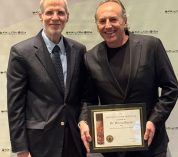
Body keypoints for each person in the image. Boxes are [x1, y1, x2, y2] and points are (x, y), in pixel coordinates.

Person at [78, 0, 178, 157]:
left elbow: (171, 88)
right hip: (113, 149)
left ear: (124, 21)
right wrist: (83, 121)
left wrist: (154, 120)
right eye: (102, 21)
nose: (108, 25)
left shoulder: (151, 46)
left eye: (113, 19)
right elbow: (88, 99)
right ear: (97, 25)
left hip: (150, 144)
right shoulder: (90, 57)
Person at [7, 0, 87, 157]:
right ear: (40, 15)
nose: (55, 17)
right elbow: (15, 106)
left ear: (67, 17)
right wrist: (21, 148)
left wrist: (83, 121)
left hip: (74, 140)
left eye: (60, 13)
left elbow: (84, 95)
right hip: (39, 143)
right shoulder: (21, 52)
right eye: (50, 12)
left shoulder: (79, 50)